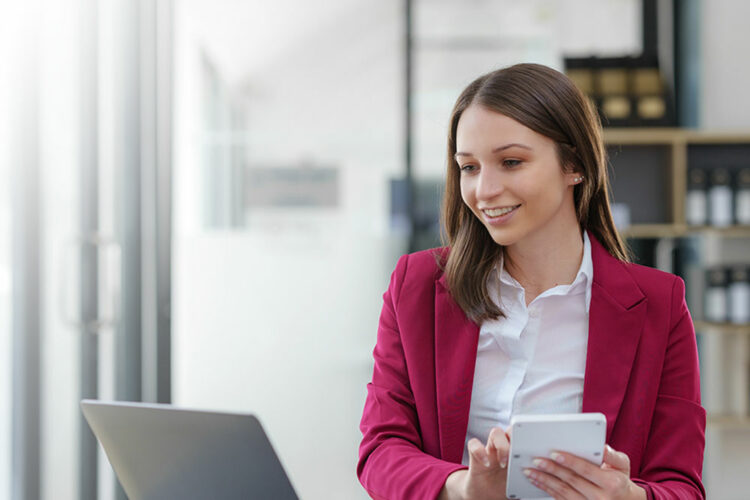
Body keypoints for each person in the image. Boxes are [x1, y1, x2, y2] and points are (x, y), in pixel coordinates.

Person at [357, 63, 705, 500]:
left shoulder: (660, 305)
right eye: (469, 167)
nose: (484, 190)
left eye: (511, 162)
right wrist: (462, 487)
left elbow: (682, 486)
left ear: (574, 164)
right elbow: (380, 450)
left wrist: (629, 496)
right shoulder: (417, 287)